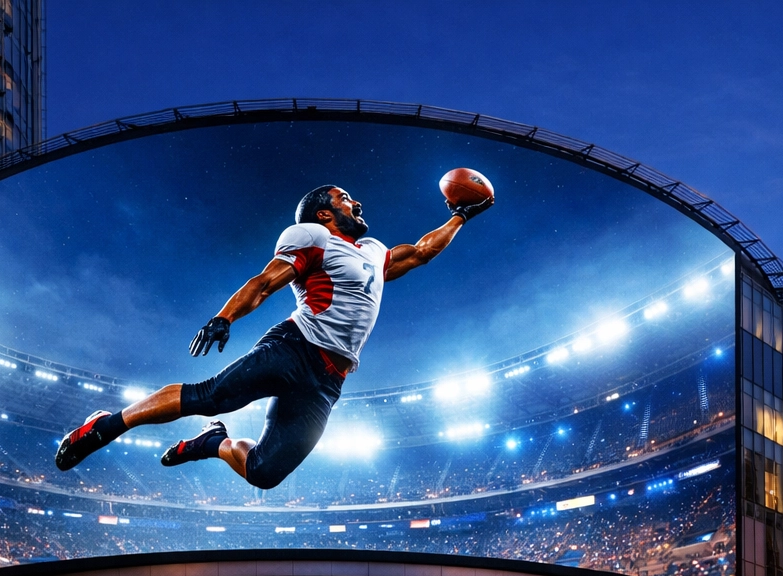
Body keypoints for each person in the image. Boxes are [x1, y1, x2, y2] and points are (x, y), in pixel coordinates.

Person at [52, 183, 493, 489]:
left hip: (329, 379)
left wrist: (459, 216)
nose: (356, 202)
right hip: (295, 346)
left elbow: (419, 252)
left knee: (264, 473)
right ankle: (103, 427)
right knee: (210, 395)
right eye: (345, 198)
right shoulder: (314, 235)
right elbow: (266, 281)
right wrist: (225, 316)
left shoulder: (374, 252)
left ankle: (213, 442)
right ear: (324, 212)